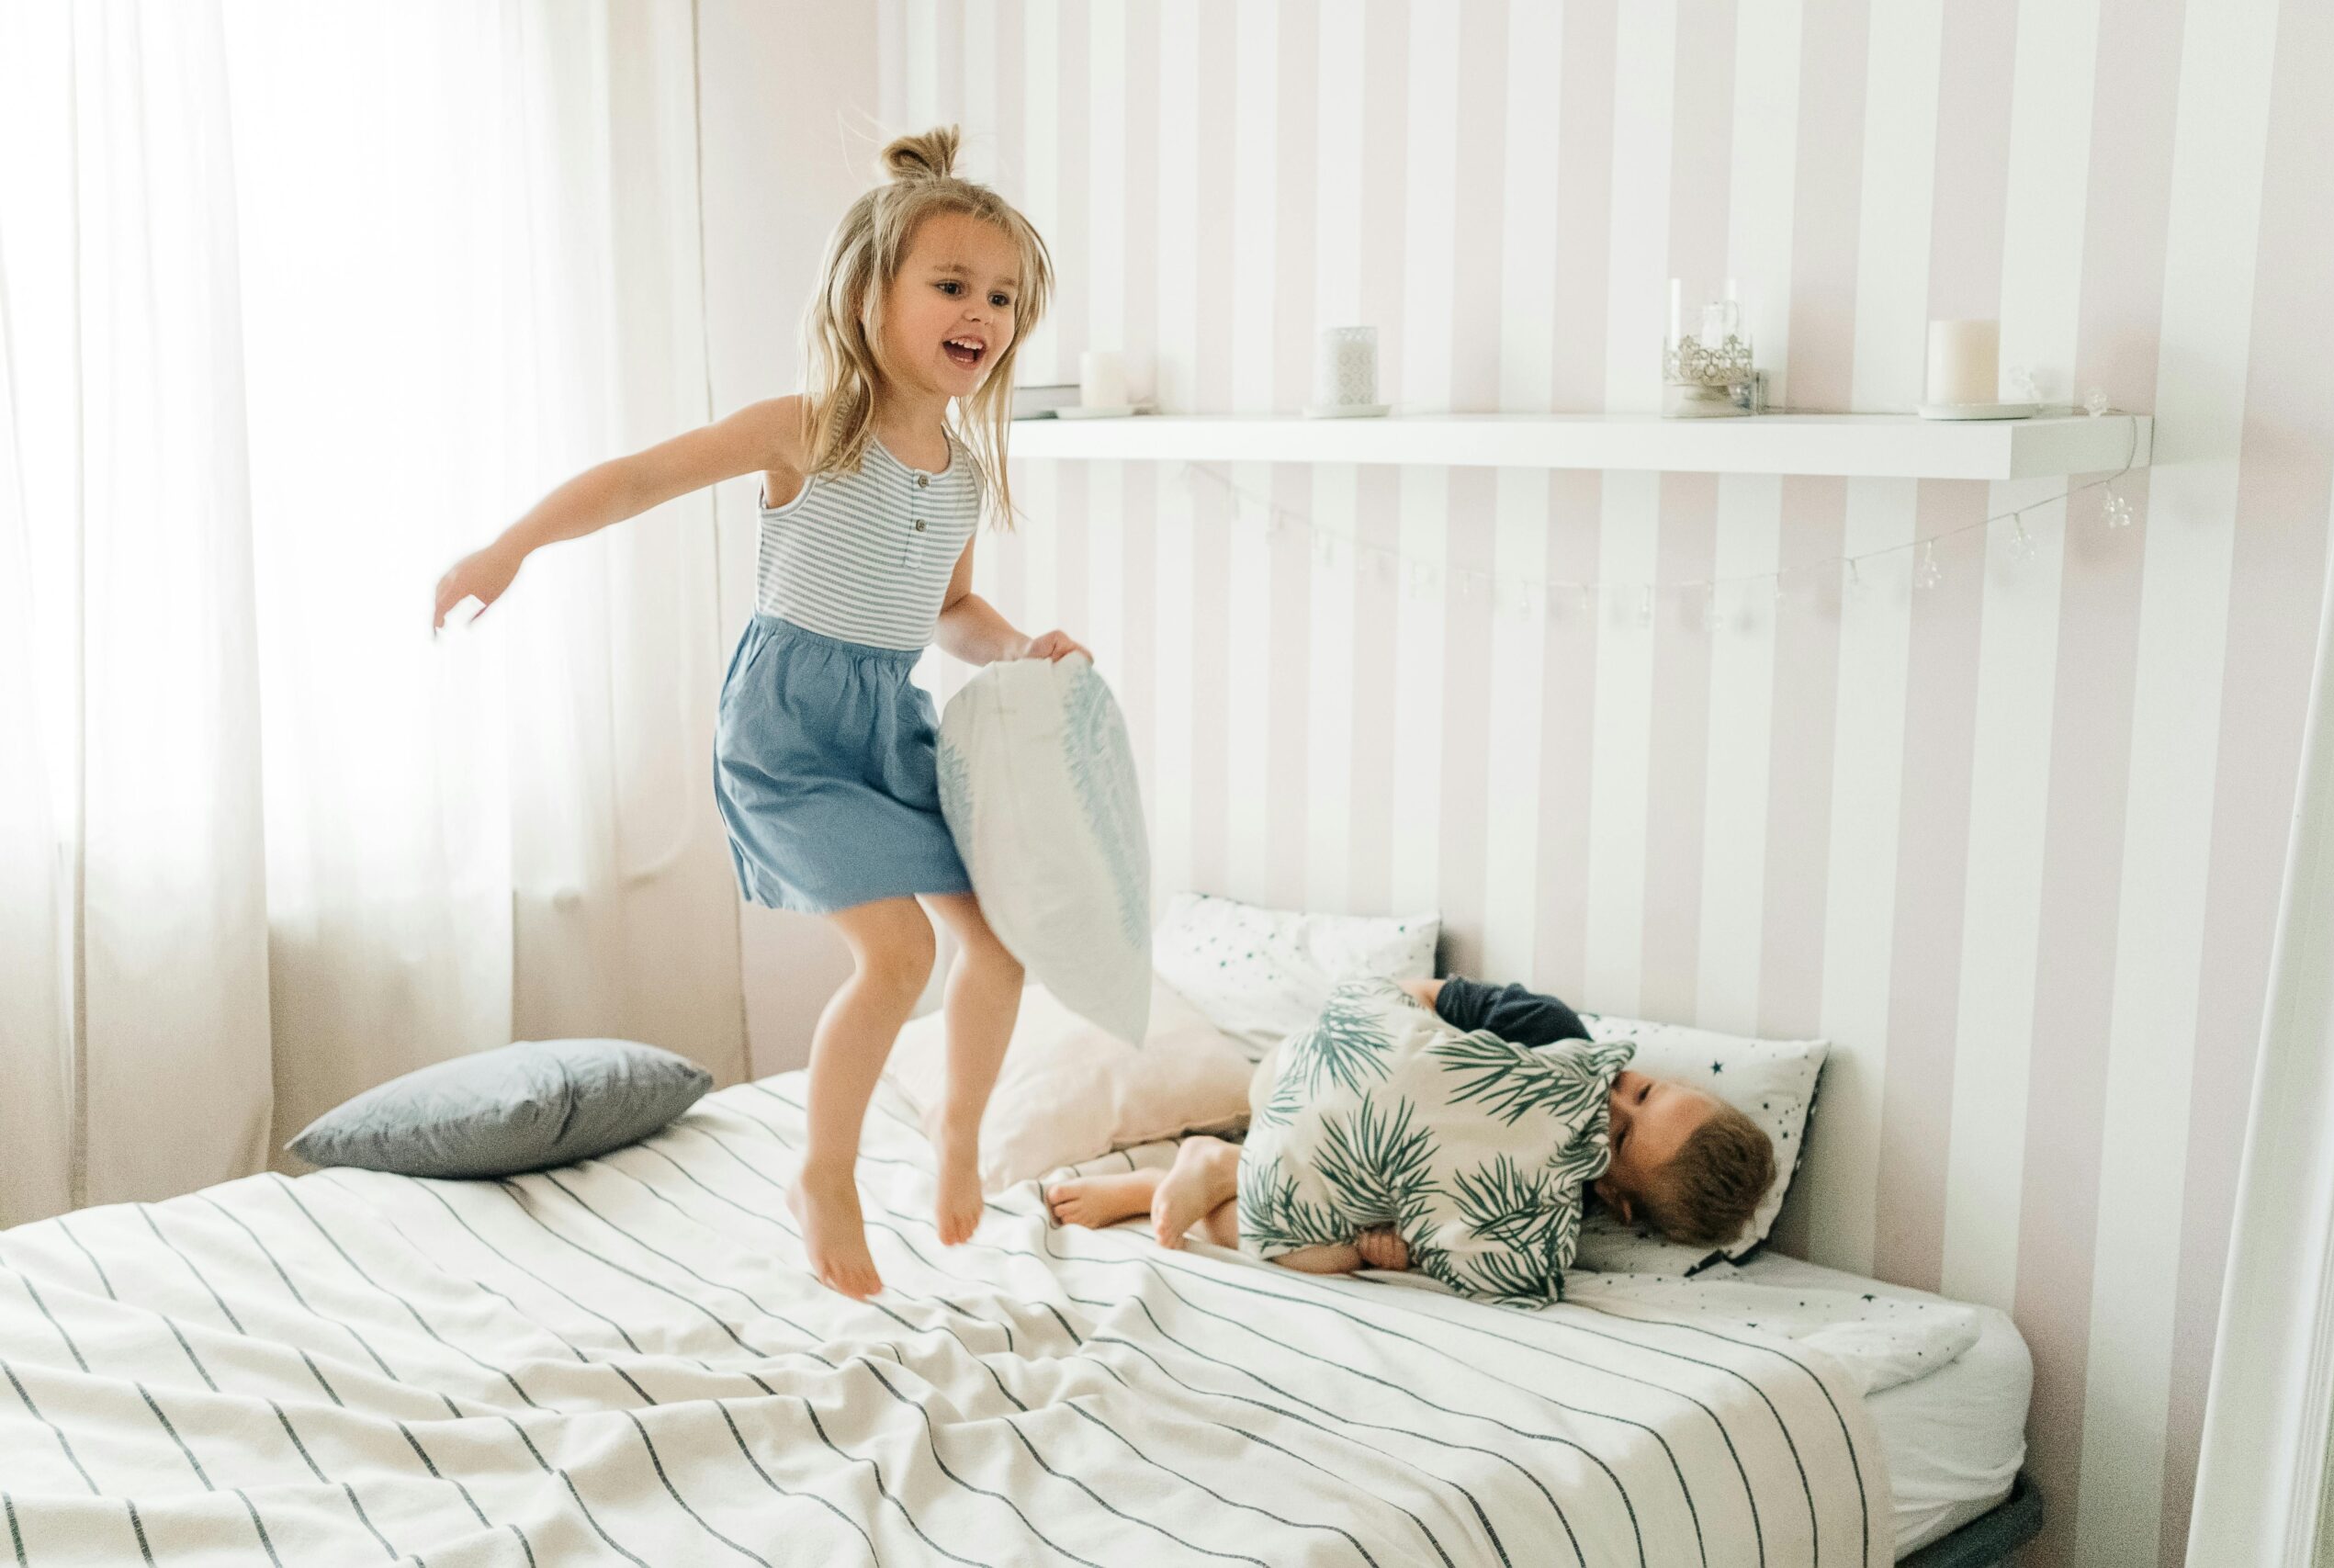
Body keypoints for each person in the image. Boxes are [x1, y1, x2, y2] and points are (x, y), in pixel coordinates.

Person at [433, 127, 1072, 1299]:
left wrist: (1019, 649)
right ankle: (821, 1172)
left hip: (890, 725)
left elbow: (954, 609)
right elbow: (636, 477)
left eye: (1001, 295)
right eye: (951, 284)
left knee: (997, 946)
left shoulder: (963, 469)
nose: (980, 310)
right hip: (788, 730)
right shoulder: (809, 424)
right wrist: (507, 546)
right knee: (898, 952)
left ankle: (958, 1134)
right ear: (871, 293)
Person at [1048, 975, 1776, 1302]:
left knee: (1325, 1251)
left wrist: (1388, 1242)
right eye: (1642, 1086)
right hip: (1303, 1078)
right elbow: (1417, 995)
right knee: (1316, 1201)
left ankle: (1175, 1180)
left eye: (1616, 1132)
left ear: (1615, 1199)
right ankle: (1212, 1161)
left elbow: (1444, 1234)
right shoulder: (1549, 1030)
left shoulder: (1545, 1208)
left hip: (1332, 1178)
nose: (1610, 1093)